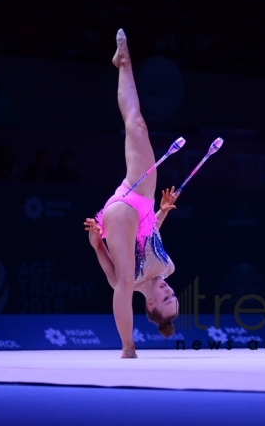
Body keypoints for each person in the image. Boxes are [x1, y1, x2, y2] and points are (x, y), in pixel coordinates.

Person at [84, 29, 179, 359]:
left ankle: (128, 346)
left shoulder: (132, 283)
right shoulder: (167, 269)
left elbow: (103, 256)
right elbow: (149, 236)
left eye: (165, 299)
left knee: (122, 281)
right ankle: (122, 61)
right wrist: (163, 210)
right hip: (139, 199)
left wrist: (97, 241)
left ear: (151, 304)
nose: (169, 291)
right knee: (137, 125)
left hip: (118, 216)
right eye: (174, 296)